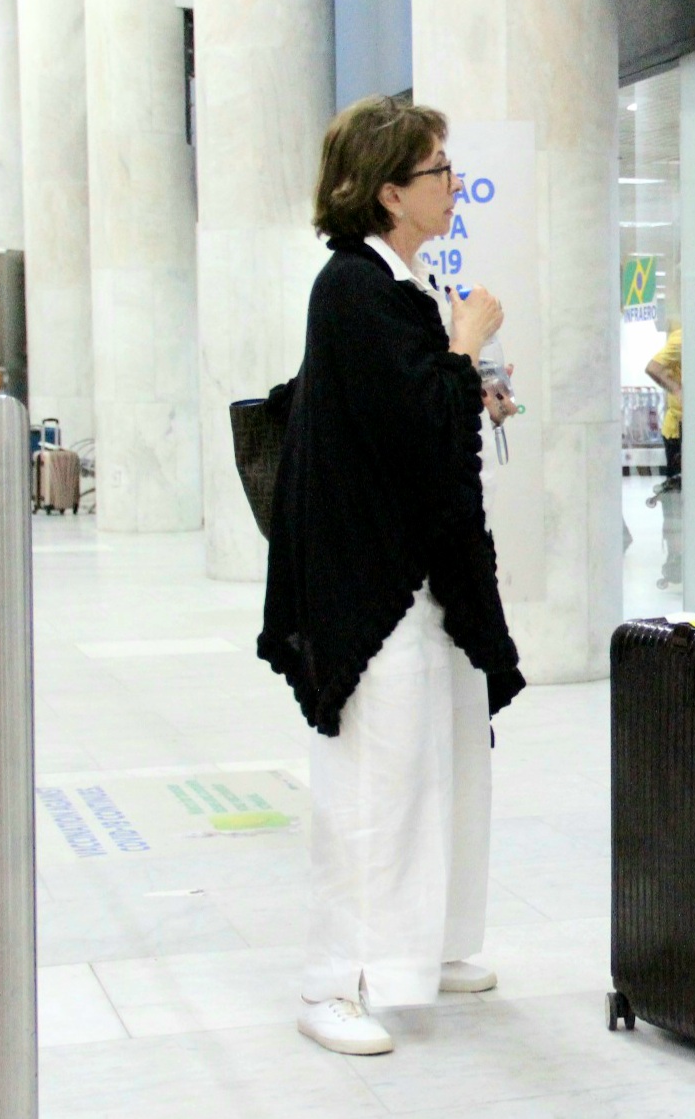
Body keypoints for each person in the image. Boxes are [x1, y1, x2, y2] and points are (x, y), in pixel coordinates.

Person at [258, 95, 525, 1057]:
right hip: (373, 579)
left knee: (443, 755)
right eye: (437, 170)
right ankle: (337, 977)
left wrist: (460, 375)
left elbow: (417, 418)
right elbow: (412, 431)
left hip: (423, 575)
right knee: (376, 773)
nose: (453, 184)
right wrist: (464, 346)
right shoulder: (352, 288)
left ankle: (427, 946)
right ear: (385, 192)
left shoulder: (394, 284)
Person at [644, 325, 684, 587]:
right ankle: (675, 560)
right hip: (678, 431)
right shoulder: (684, 336)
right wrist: (678, 390)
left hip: (690, 427)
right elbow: (653, 367)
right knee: (676, 500)